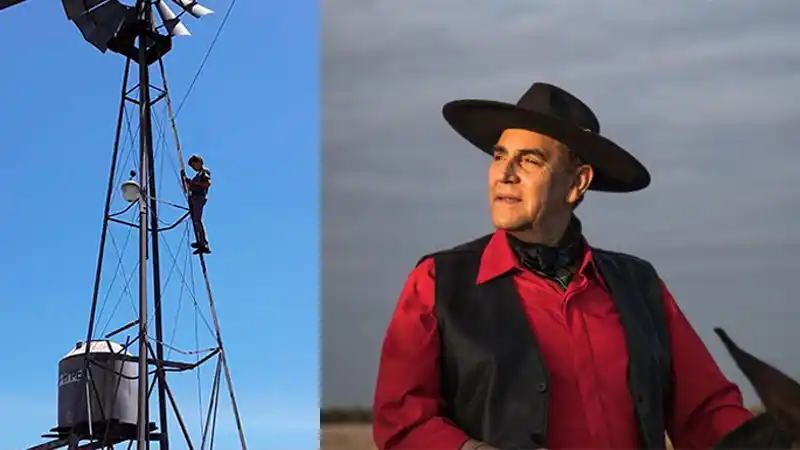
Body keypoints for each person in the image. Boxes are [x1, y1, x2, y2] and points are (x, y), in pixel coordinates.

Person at [372, 82, 774, 450]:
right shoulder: (438, 282)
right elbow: (402, 420)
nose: (505, 175)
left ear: (577, 183)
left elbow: (705, 411)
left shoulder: (640, 286)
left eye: (529, 161)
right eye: (499, 156)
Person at [182, 154, 211, 255]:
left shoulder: (204, 172)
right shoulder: (198, 175)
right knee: (195, 221)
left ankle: (204, 244)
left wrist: (194, 184)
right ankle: (200, 241)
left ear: (199, 162)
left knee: (197, 220)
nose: (193, 168)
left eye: (194, 165)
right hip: (194, 198)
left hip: (199, 198)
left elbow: (207, 183)